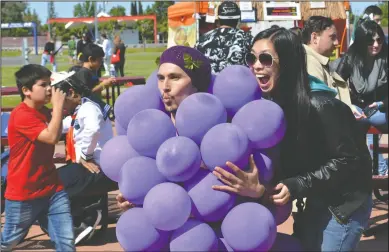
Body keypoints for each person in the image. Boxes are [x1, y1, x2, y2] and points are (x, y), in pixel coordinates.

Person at [240, 27, 372, 251]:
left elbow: (350, 161)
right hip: (315, 199)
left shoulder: (322, 105)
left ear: (288, 62)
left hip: (345, 205)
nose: (256, 65)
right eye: (251, 57)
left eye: (265, 58)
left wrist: (299, 184)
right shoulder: (272, 108)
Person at [1, 64, 75, 251]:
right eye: (43, 85)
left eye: (49, 83)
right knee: (8, 242)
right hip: (23, 194)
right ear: (26, 90)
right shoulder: (21, 115)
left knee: (66, 241)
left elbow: (57, 129)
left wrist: (70, 103)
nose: (50, 89)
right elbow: (51, 137)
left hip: (52, 189)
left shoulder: (43, 112)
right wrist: (58, 106)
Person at [51, 71, 118, 245]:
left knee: (56, 182)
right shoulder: (79, 110)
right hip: (87, 166)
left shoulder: (89, 108)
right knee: (56, 178)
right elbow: (62, 125)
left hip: (98, 167)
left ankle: (85, 219)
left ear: (72, 93)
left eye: (61, 100)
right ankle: (85, 214)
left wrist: (85, 156)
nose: (60, 105)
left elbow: (93, 129)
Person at [332, 20, 388, 175]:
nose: (376, 45)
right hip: (355, 105)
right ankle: (377, 170)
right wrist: (348, 105)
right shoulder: (351, 56)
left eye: (379, 40)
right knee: (357, 122)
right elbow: (336, 82)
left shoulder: (386, 56)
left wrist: (381, 103)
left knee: (372, 124)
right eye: (371, 41)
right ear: (362, 41)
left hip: (380, 106)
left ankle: (378, 170)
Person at [302, 16, 360, 118]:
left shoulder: (316, 60)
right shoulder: (310, 62)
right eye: (332, 37)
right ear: (314, 38)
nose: (337, 43)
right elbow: (320, 104)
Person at [195, 1, 253, 74]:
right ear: (238, 19)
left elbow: (195, 66)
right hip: (238, 83)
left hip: (210, 84)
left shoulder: (203, 39)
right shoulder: (247, 38)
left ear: (219, 18)